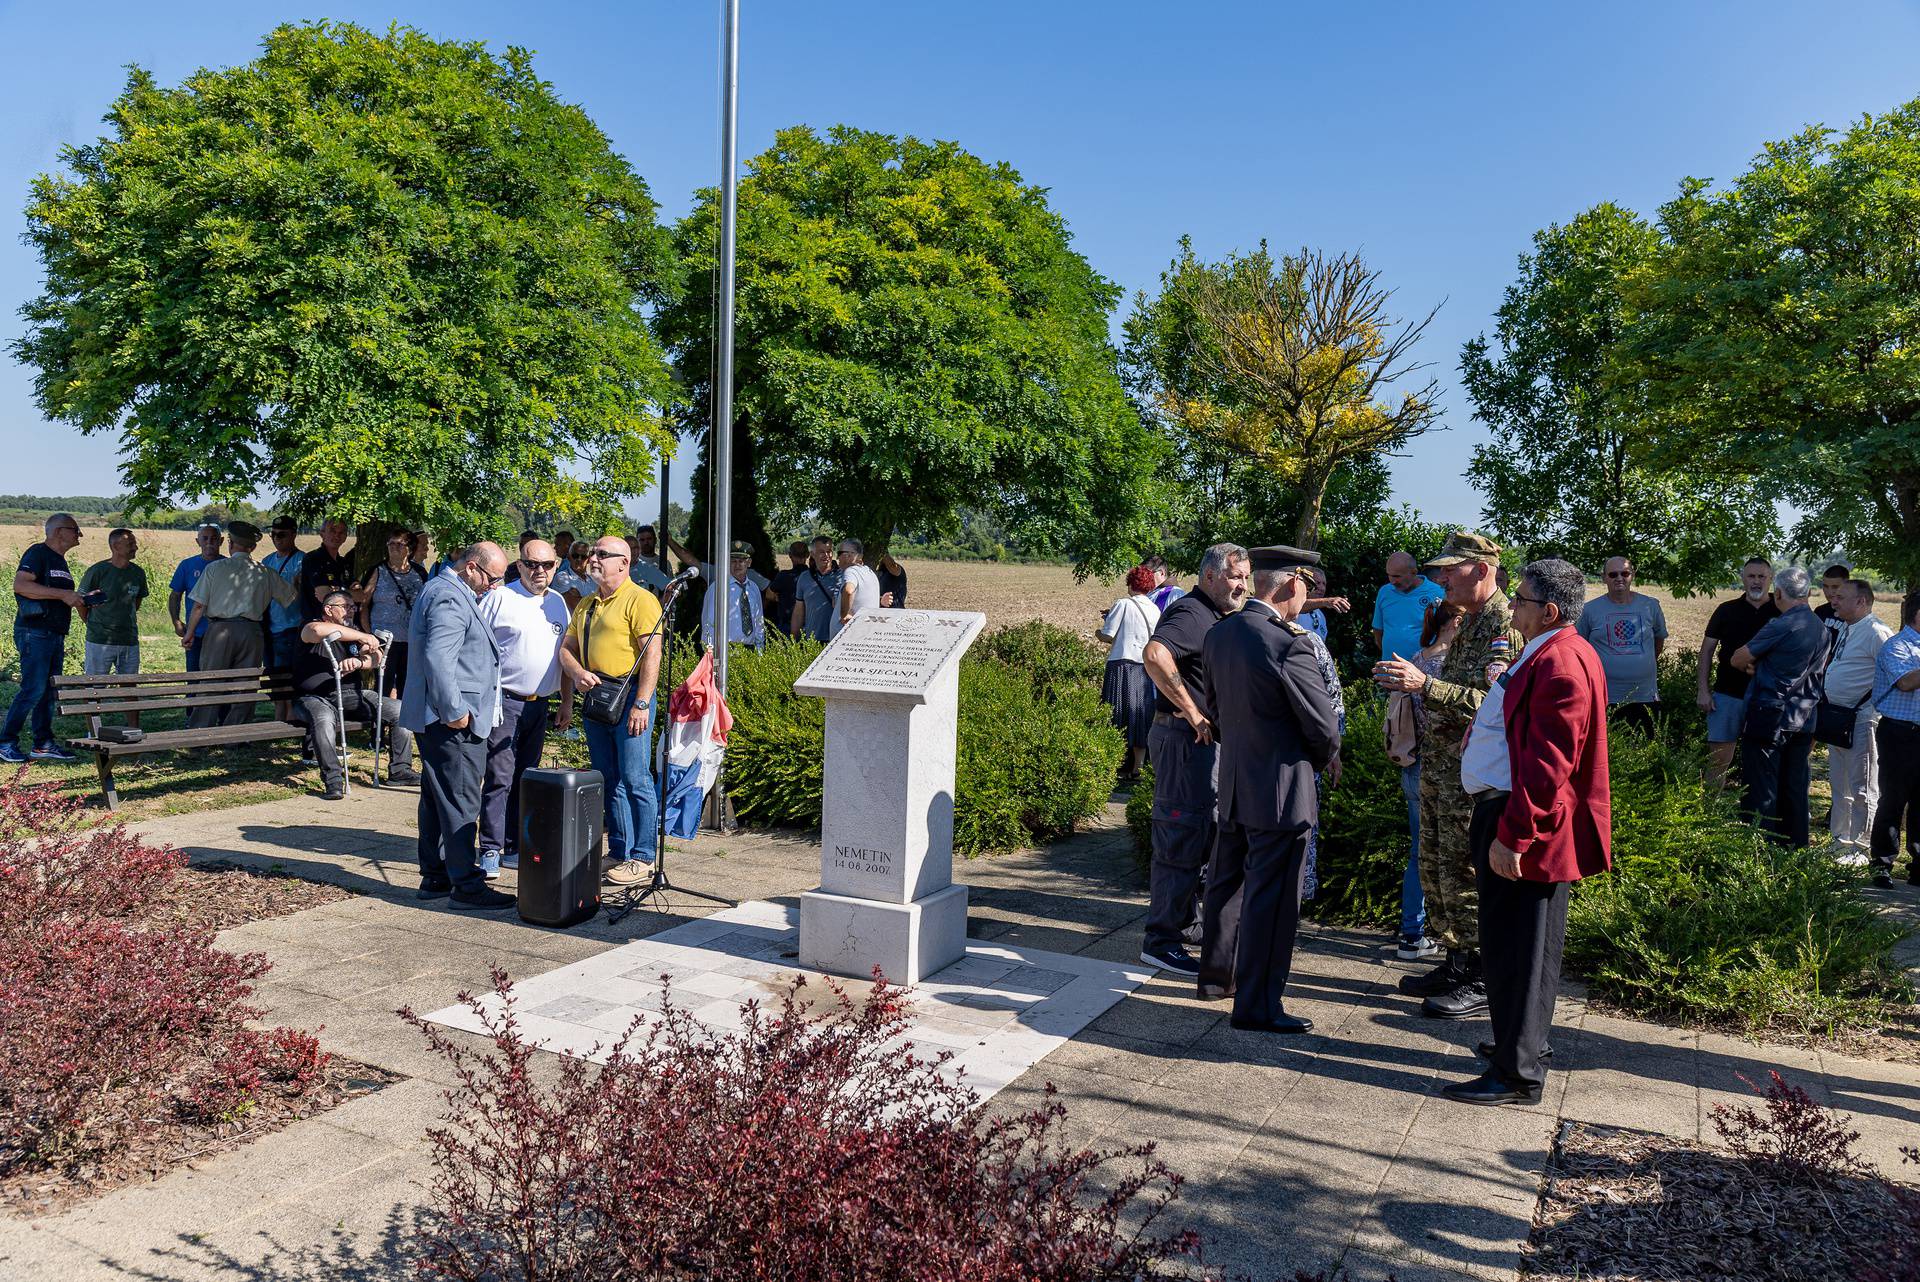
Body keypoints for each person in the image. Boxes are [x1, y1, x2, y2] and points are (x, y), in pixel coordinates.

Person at [1442, 558, 1610, 1107]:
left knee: (1517, 948)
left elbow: (1548, 765)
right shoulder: (1547, 650)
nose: (1512, 606)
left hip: (1525, 822)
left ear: (1551, 611)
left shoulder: (1562, 661)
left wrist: (1514, 836)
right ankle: (1521, 1044)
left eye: (1521, 599)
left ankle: (1517, 1074)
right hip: (1514, 813)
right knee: (1523, 947)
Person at [1373, 531, 1522, 1019]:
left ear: (1482, 570)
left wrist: (1427, 686)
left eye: (1448, 570)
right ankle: (1456, 962)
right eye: (1437, 570)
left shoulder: (1504, 625)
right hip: (1441, 771)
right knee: (1435, 866)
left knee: (1464, 872)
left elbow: (1495, 705)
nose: (1439, 579)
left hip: (1473, 780)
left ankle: (1480, 975)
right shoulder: (1473, 620)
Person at [1195, 545, 1340, 1034]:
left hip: (1236, 783)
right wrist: (1316, 763)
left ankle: (1218, 980)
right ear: (1292, 583)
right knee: (1273, 902)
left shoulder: (1221, 634)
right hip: (1281, 794)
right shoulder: (1287, 644)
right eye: (1308, 585)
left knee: (1229, 887)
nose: (1309, 595)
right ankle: (1257, 1005)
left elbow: (1213, 707)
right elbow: (1324, 728)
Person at [1138, 542, 1250, 975]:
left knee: (1202, 839)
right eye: (1234, 576)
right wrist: (1192, 710)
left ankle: (1186, 926)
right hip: (1185, 741)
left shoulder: (1218, 615)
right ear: (1209, 576)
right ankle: (1161, 940)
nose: (1242, 585)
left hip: (1203, 746)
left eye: (1245, 577)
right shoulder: (1191, 612)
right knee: (1179, 841)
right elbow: (1154, 655)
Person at [399, 543, 515, 909]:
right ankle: (466, 884)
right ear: (470, 568)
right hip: (451, 721)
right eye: (492, 578)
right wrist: (455, 711)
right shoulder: (450, 597)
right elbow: (438, 658)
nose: (494, 586)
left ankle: (435, 875)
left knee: (437, 798)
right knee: (462, 801)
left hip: (440, 719)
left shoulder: (442, 589)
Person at [559, 536, 665, 885]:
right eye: (593, 553)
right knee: (609, 779)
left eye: (602, 554)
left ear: (624, 562)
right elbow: (566, 649)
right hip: (597, 695)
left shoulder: (641, 600)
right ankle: (620, 849)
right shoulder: (587, 603)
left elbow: (652, 654)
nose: (593, 559)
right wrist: (576, 673)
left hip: (629, 693)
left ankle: (644, 856)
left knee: (636, 778)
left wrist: (642, 702)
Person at [475, 539, 570, 876]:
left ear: (556, 565)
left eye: (547, 565)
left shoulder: (558, 603)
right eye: (532, 564)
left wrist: (567, 701)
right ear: (520, 565)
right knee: (500, 776)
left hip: (539, 705)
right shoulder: (500, 598)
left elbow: (565, 655)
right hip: (505, 700)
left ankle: (515, 844)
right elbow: (477, 647)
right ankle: (490, 848)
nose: (539, 571)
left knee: (526, 778)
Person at [1730, 566, 1826, 847]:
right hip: (1805, 716)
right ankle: (1795, 849)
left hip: (1770, 714)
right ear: (1808, 592)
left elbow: (1738, 659)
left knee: (1761, 788)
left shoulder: (1781, 624)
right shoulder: (1820, 627)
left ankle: (1760, 851)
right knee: (1795, 787)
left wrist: (1758, 666)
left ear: (1779, 592)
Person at [1390, 600, 1465, 960]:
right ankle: (1423, 932)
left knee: (1418, 853)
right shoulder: (1445, 667)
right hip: (1439, 769)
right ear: (1456, 622)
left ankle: (1410, 932)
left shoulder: (1418, 659)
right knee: (1439, 855)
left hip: (1413, 765)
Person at [298, 591, 418, 799]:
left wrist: (360, 662)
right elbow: (317, 630)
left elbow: (378, 657)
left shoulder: (351, 631)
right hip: (317, 696)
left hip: (352, 695)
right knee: (324, 720)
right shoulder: (310, 626)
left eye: (353, 607)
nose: (351, 611)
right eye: (346, 606)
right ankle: (334, 780)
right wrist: (363, 635)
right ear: (329, 609)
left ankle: (400, 771)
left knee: (400, 710)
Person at [185, 521, 298, 727]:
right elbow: (290, 597)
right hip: (252, 631)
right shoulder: (265, 571)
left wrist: (189, 632)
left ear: (230, 543)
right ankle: (237, 732)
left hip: (220, 629)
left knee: (211, 680)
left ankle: (201, 729)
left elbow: (199, 606)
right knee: (246, 684)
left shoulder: (215, 568)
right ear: (253, 547)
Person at [1, 514, 85, 763]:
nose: (80, 535)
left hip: (54, 633)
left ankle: (42, 743)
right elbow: (21, 586)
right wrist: (62, 595)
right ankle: (6, 742)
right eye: (75, 530)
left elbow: (58, 595)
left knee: (48, 690)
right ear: (59, 531)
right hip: (35, 632)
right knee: (33, 689)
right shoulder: (37, 553)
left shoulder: (59, 560)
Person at [1824, 580, 1893, 867]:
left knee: (1863, 787)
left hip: (1862, 720)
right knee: (1840, 785)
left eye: (1841, 597)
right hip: (1838, 719)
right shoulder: (1848, 627)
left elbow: (1895, 674)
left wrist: (1871, 706)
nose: (1834, 600)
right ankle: (1839, 841)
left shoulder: (1877, 632)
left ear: (1862, 601)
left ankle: (1860, 848)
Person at [1698, 558, 1779, 789]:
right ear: (1742, 579)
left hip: (1769, 698)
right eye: (1751, 576)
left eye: (1761, 576)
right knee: (1718, 761)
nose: (1756, 581)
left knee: (1766, 761)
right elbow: (1706, 652)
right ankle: (1710, 816)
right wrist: (1703, 690)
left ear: (1770, 579)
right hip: (1727, 695)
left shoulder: (1782, 611)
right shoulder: (1726, 610)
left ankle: (1758, 816)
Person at [1575, 556, 1668, 734]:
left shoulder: (1650, 606)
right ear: (1604, 578)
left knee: (1646, 750)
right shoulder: (1589, 610)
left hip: (1645, 695)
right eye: (1613, 574)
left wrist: (1645, 663)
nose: (1619, 578)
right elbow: (1580, 647)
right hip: (1606, 696)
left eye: (1625, 573)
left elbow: (1659, 639)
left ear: (1632, 575)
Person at [1870, 590, 1920, 889]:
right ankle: (1882, 864)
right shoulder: (1897, 646)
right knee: (1893, 799)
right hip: (1900, 733)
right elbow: (1905, 683)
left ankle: (1919, 867)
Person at [77, 527, 148, 727]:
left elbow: (136, 603)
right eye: (131, 544)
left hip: (129, 640)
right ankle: (93, 730)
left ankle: (134, 729)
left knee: (130, 687)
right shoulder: (98, 571)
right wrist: (93, 624)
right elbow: (81, 602)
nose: (136, 547)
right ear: (116, 546)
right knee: (94, 687)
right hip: (100, 640)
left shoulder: (137, 573)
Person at [1097, 566, 1163, 781]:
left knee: (1115, 714)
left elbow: (1108, 635)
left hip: (1121, 666)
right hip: (1144, 668)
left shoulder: (1122, 604)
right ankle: (1138, 768)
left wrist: (1100, 630)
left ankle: (1113, 766)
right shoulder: (1155, 609)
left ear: (1130, 584)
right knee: (1140, 716)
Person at [353, 531, 427, 698]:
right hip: (384, 640)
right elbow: (363, 604)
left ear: (410, 549)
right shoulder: (378, 570)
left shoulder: (420, 574)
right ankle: (381, 722)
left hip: (412, 640)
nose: (394, 547)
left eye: (399, 544)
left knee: (408, 686)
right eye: (391, 544)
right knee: (383, 686)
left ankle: (404, 723)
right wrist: (369, 634)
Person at [261, 517, 307, 722]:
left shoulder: (303, 560)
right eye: (273, 534)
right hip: (269, 627)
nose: (276, 538)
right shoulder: (267, 561)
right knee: (273, 674)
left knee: (286, 675)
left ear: (293, 534)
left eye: (282, 534)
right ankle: (281, 712)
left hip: (291, 626)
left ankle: (288, 715)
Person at [1371, 549, 1446, 662]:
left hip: (1423, 672)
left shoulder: (1438, 593)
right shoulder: (1385, 592)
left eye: (1397, 576)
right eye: (1389, 575)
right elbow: (1378, 631)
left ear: (1414, 572)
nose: (1392, 581)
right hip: (1389, 670)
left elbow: (1446, 635)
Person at [169, 523, 224, 671]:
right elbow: (175, 595)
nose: (209, 543)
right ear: (197, 541)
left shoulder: (228, 566)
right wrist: (176, 622)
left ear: (221, 541)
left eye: (214, 538)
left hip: (222, 633)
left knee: (218, 677)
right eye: (204, 538)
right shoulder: (187, 565)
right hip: (195, 632)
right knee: (194, 676)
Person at [700, 542, 767, 652]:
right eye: (733, 561)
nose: (737, 565)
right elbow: (709, 623)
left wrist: (760, 650)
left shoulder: (753, 588)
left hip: (750, 650)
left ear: (749, 563)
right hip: (725, 650)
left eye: (741, 561)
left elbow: (759, 621)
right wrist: (710, 652)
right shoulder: (718, 588)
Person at [299, 519, 355, 622]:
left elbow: (361, 596)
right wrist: (348, 593)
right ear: (322, 533)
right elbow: (324, 595)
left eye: (341, 532)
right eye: (333, 531)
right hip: (317, 625)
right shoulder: (313, 558)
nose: (337, 535)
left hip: (342, 625)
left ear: (346, 537)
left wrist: (336, 590)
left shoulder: (344, 563)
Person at [791, 536, 843, 642]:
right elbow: (798, 612)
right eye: (821, 552)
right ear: (812, 554)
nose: (826, 555)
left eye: (829, 551)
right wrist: (793, 640)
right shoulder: (804, 577)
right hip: (812, 642)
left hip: (836, 640)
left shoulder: (843, 576)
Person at [834, 538, 881, 635]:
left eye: (839, 553)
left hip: (847, 639)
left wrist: (844, 615)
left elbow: (848, 591)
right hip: (864, 633)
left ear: (850, 555)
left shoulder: (851, 571)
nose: (837, 558)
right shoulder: (870, 573)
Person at [769, 541, 808, 638]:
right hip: (809, 625)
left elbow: (769, 595)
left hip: (787, 625)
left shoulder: (783, 576)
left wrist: (780, 598)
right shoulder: (812, 576)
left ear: (790, 555)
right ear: (807, 555)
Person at [629, 525, 672, 592]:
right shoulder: (633, 563)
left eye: (649, 539)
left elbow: (670, 589)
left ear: (655, 540)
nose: (646, 543)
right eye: (642, 540)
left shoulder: (665, 563)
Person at [553, 541, 593, 605]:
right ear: (569, 557)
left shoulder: (593, 581)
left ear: (588, 560)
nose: (579, 559)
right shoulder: (562, 577)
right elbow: (576, 605)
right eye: (575, 556)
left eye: (583, 557)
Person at [1814, 564, 1851, 632]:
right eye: (1825, 586)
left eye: (1835, 587)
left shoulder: (1855, 613)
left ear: (1847, 585)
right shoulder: (1820, 611)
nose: (1829, 592)